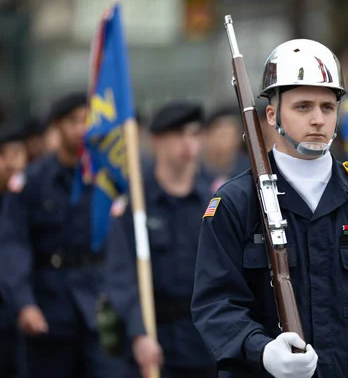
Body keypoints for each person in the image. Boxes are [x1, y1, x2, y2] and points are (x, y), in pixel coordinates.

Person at [191, 39, 348, 377]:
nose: (319, 119)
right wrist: (260, 349)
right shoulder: (236, 202)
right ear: (272, 114)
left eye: (327, 106)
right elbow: (216, 304)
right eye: (303, 107)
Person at [0, 92, 124, 378]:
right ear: (57, 126)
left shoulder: (108, 178)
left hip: (101, 306)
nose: (81, 129)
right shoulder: (33, 181)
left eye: (87, 120)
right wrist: (24, 302)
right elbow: (13, 244)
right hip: (50, 307)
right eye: (73, 121)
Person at [104, 102, 216, 378]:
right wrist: (138, 334)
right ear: (156, 141)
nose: (188, 144)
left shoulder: (216, 201)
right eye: (177, 134)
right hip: (155, 342)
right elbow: (121, 277)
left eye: (194, 134)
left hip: (208, 342)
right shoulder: (135, 204)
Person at [0, 123, 29, 378]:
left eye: (18, 154)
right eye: (4, 155)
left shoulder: (29, 198)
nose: (12, 163)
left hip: (20, 311)